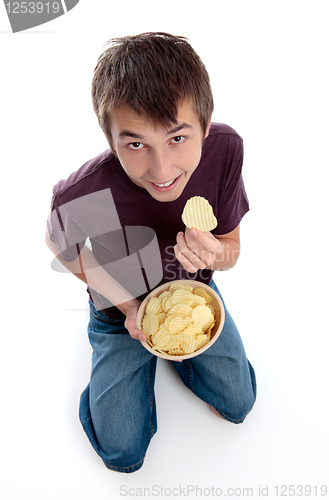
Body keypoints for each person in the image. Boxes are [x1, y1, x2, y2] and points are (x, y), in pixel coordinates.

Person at [45, 32, 256, 473]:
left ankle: (182, 359)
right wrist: (128, 307)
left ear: (205, 122)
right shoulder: (82, 192)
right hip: (119, 313)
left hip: (192, 297)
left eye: (178, 138)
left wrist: (214, 256)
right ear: (110, 137)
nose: (161, 171)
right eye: (136, 144)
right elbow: (59, 246)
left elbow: (233, 249)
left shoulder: (225, 151)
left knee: (240, 406)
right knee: (123, 456)